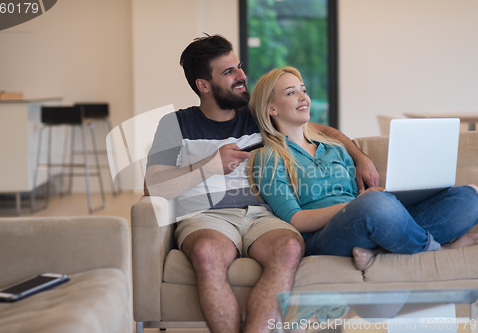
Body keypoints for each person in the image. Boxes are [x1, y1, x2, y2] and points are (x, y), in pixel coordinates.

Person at [145, 35, 379, 333]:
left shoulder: (257, 115)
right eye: (228, 72)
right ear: (203, 85)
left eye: (238, 66)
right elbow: (152, 186)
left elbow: (321, 131)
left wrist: (360, 157)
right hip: (206, 216)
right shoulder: (175, 124)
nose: (242, 76)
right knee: (206, 252)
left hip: (264, 214)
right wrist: (209, 167)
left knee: (289, 247)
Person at [248, 66, 478, 272]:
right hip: (323, 237)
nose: (303, 97)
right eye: (291, 93)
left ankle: (379, 251)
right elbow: (294, 219)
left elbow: (358, 195)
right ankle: (438, 249)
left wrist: (383, 197)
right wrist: (359, 204)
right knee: (373, 205)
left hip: (364, 220)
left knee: (469, 197)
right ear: (271, 109)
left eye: (303, 90)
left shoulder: (334, 148)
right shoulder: (269, 156)